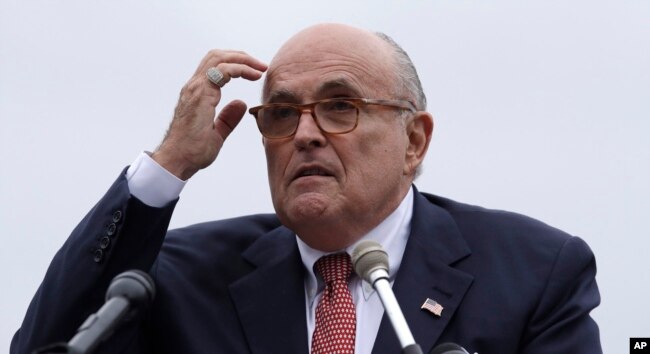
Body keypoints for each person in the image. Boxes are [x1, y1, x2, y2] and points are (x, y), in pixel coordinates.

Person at [11, 23, 602, 354]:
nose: (306, 135)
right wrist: (168, 165)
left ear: (414, 142)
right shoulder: (177, 279)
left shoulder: (535, 272)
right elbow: (48, 346)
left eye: (340, 107)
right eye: (282, 113)